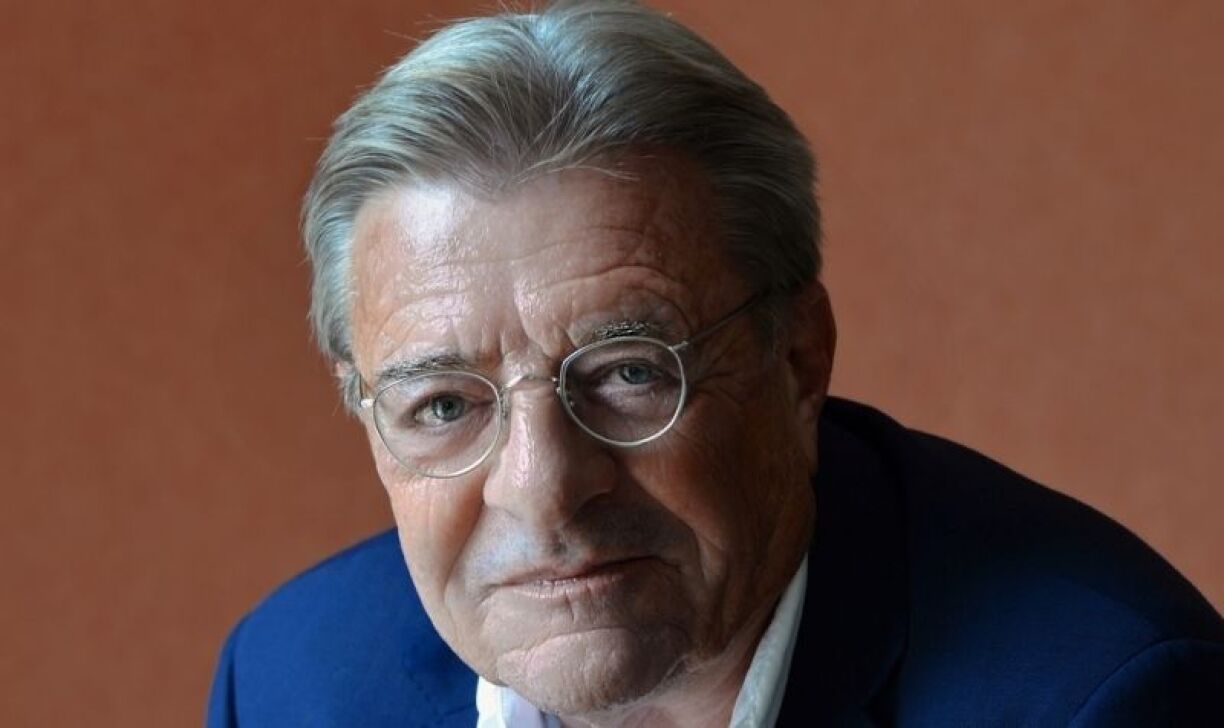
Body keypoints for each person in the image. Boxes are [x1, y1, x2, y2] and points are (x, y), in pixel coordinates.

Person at [207, 1, 1223, 725]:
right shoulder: (292, 687)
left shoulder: (1102, 695)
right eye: (442, 405)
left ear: (799, 357)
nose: (543, 488)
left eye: (627, 371)